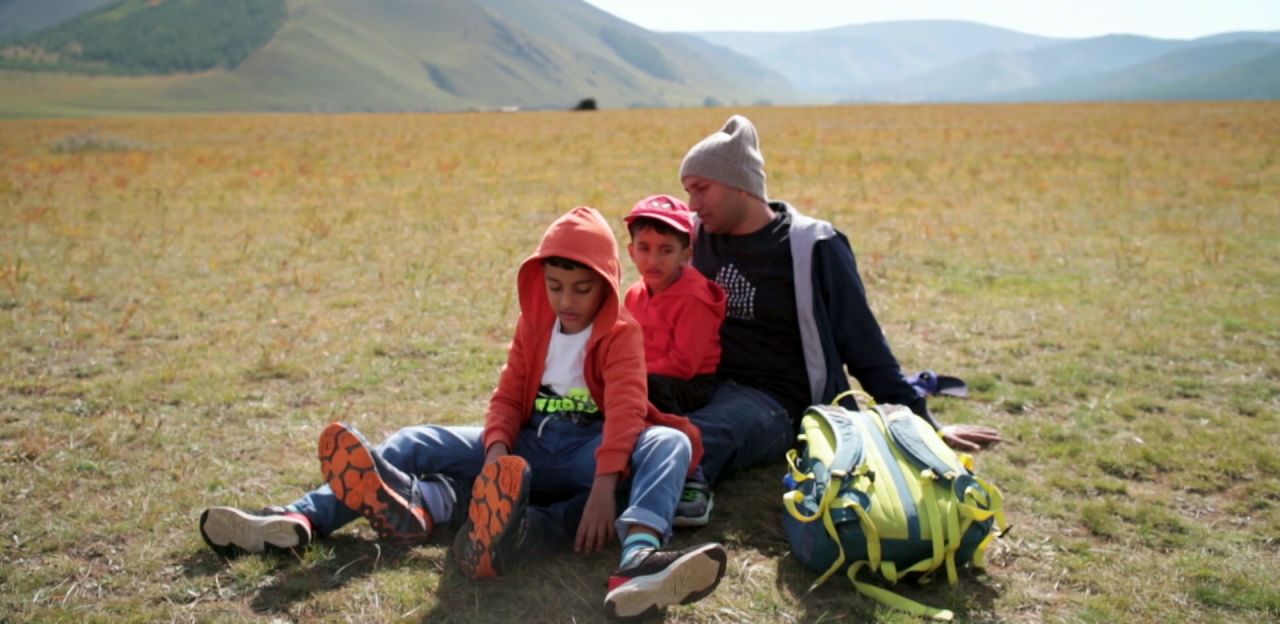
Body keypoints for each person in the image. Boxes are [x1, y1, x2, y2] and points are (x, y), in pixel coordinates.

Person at [199, 207, 728, 621]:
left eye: (583, 289)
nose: (567, 300)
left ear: (607, 284)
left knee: (669, 444)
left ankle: (636, 563)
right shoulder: (535, 326)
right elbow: (506, 397)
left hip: (585, 454)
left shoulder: (621, 333)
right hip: (526, 446)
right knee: (415, 439)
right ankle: (300, 518)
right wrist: (495, 460)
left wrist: (601, 487)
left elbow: (627, 411)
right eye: (555, 286)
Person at [678, 115, 1001, 485]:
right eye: (688, 191)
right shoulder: (694, 238)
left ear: (741, 185)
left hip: (777, 403)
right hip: (699, 385)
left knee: (690, 441)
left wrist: (924, 425)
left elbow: (863, 344)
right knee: (627, 423)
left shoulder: (812, 245)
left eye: (701, 188)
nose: (693, 203)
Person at [621, 194, 726, 526]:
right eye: (644, 247)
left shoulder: (694, 297)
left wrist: (633, 375)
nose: (653, 259)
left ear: (686, 254)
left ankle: (693, 474)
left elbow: (685, 363)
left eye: (666, 250)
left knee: (651, 389)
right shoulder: (635, 293)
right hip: (645, 375)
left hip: (690, 382)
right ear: (631, 250)